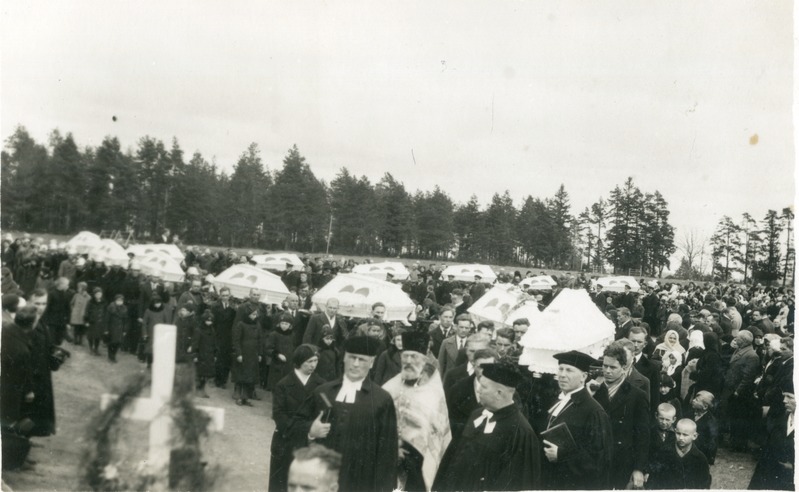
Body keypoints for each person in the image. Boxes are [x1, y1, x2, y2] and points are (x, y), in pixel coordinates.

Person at [295, 336, 398, 491]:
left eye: (362, 360)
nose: (355, 364)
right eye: (351, 358)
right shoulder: (323, 392)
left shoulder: (382, 400)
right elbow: (294, 425)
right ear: (344, 358)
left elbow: (387, 451)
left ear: (371, 363)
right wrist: (310, 430)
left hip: (360, 479)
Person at [434, 361, 541, 491]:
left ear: (499, 393)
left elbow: (518, 483)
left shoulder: (520, 432)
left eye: (483, 387)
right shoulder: (477, 415)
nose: (478, 389)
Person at [383, 331, 451, 491]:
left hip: (421, 456)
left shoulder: (433, 388)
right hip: (392, 452)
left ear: (423, 359)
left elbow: (438, 426)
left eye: (413, 357)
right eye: (405, 357)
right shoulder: (391, 385)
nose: (408, 361)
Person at [542, 350, 612, 490]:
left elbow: (599, 458)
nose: (562, 375)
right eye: (560, 369)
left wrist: (561, 454)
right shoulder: (560, 401)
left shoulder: (593, 411)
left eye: (569, 370)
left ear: (583, 376)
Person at [592, 342, 650, 490]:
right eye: (605, 366)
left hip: (622, 463)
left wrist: (639, 469)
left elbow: (643, 435)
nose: (607, 371)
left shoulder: (637, 396)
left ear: (624, 368)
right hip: (595, 461)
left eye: (613, 367)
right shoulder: (593, 391)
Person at [270, 345, 326, 492]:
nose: (313, 365)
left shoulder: (322, 386)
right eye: (309, 361)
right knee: (281, 484)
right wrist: (307, 428)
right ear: (299, 361)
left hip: (311, 444)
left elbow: (326, 413)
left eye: (315, 361)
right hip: (286, 442)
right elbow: (279, 416)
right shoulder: (283, 385)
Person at [748, 381, 795, 490]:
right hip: (770, 474)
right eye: (784, 396)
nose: (784, 401)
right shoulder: (781, 420)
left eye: (790, 397)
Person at [645, 418, 712, 489]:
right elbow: (652, 482)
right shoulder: (663, 454)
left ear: (694, 436)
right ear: (675, 431)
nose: (681, 438)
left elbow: (704, 485)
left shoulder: (700, 459)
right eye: (678, 433)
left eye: (685, 435)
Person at [723, 329, 760, 451]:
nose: (735, 339)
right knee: (734, 418)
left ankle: (739, 444)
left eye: (738, 338)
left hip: (740, 393)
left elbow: (747, 377)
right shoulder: (739, 350)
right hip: (732, 389)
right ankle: (735, 442)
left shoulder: (751, 355)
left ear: (743, 341)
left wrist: (738, 391)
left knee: (739, 419)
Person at [232, 303, 263, 406]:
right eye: (252, 314)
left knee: (250, 377)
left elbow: (259, 340)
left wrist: (259, 354)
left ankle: (246, 398)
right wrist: (239, 353)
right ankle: (240, 397)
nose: (254, 317)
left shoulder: (257, 325)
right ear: (247, 314)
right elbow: (236, 340)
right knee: (242, 376)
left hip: (253, 355)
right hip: (243, 354)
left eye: (256, 315)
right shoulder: (241, 324)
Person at [210, 287, 236, 389]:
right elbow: (213, 322)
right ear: (220, 296)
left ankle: (224, 380)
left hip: (228, 337)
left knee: (227, 359)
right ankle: (218, 379)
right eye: (223, 295)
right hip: (218, 335)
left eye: (227, 295)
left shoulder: (233, 308)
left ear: (230, 296)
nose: (225, 297)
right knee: (219, 358)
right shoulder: (215, 307)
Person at [685, 390, 718, 465]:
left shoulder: (711, 421)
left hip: (701, 452)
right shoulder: (689, 414)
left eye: (696, 400)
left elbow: (713, 441)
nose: (693, 400)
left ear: (705, 406)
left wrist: (710, 458)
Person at [265, 313, 296, 391]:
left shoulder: (292, 335)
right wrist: (277, 354)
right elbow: (268, 349)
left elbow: (294, 348)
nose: (284, 326)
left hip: (289, 365)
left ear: (290, 325)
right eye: (282, 323)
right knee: (276, 385)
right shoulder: (274, 335)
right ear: (279, 324)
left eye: (286, 324)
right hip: (277, 365)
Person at [141, 295, 172, 369]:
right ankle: (149, 363)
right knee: (150, 350)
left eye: (159, 303)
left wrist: (166, 333)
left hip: (161, 333)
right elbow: (144, 323)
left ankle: (157, 364)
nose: (157, 305)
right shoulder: (148, 311)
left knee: (159, 349)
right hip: (151, 333)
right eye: (155, 303)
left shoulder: (164, 311)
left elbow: (167, 322)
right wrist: (144, 333)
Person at [193, 310, 217, 398]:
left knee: (206, 374)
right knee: (199, 374)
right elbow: (195, 343)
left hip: (209, 355)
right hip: (201, 355)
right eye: (207, 320)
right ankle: (197, 390)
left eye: (211, 321)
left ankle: (202, 390)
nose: (209, 322)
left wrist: (215, 354)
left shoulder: (212, 330)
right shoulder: (198, 330)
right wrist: (195, 355)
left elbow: (214, 343)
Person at [104, 294, 128, 363]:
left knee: (117, 343)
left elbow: (126, 320)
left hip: (120, 329)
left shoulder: (124, 309)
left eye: (121, 300)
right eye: (118, 300)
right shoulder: (111, 307)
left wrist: (125, 330)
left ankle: (113, 355)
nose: (120, 302)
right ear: (115, 300)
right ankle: (110, 356)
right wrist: (106, 329)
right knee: (111, 343)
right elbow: (107, 319)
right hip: (112, 328)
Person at [84, 287, 106, 356]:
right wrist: (86, 321)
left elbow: (105, 312)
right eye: (97, 294)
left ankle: (96, 349)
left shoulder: (104, 302)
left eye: (100, 294)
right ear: (94, 295)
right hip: (92, 322)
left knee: (98, 336)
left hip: (100, 322)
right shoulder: (90, 302)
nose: (98, 295)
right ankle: (91, 348)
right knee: (90, 336)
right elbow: (86, 312)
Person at [68, 281, 91, 345]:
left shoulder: (88, 297)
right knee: (76, 328)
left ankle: (80, 340)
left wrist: (87, 313)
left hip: (83, 315)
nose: (78, 289)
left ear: (83, 289)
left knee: (82, 328)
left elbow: (90, 307)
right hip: (76, 315)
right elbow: (71, 303)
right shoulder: (76, 295)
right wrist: (73, 310)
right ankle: (75, 340)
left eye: (79, 288)